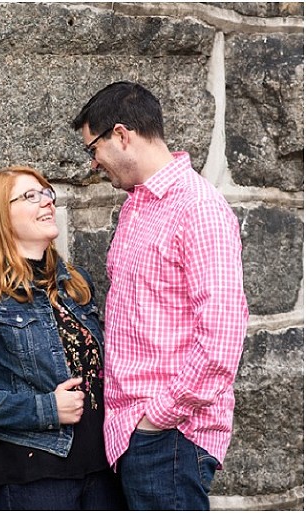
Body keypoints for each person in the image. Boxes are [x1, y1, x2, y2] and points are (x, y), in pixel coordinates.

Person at [71, 81, 249, 510]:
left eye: (92, 148)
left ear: (122, 135)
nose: (93, 164)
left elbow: (221, 339)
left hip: (168, 437)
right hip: (137, 433)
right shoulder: (138, 205)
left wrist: (158, 417)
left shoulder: (198, 208)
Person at [0, 165, 126, 510]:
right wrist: (45, 409)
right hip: (36, 476)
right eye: (30, 196)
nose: (47, 202)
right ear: (0, 217)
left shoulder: (76, 284)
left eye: (46, 193)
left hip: (103, 469)